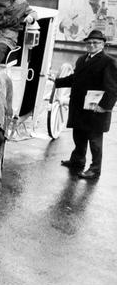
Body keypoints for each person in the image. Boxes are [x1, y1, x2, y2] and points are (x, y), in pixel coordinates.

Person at [55, 30, 117, 180]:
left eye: (95, 42)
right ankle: (77, 161)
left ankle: (95, 169)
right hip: (79, 107)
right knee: (79, 136)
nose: (91, 45)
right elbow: (76, 78)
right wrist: (58, 82)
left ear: (103, 44)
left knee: (95, 141)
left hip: (96, 109)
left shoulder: (109, 62)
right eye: (89, 42)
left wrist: (104, 106)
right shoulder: (82, 59)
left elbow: (113, 88)